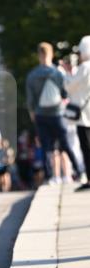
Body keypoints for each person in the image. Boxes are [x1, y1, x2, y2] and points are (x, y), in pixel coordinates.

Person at [26, 42, 81, 184]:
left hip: (40, 114)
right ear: (51, 54)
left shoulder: (32, 75)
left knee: (46, 148)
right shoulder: (57, 73)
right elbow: (65, 93)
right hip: (57, 113)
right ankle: (78, 172)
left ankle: (49, 176)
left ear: (38, 55)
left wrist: (33, 114)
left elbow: (30, 99)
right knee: (65, 145)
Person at [63, 36, 90, 191]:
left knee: (86, 148)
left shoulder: (85, 67)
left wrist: (67, 73)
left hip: (83, 116)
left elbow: (70, 87)